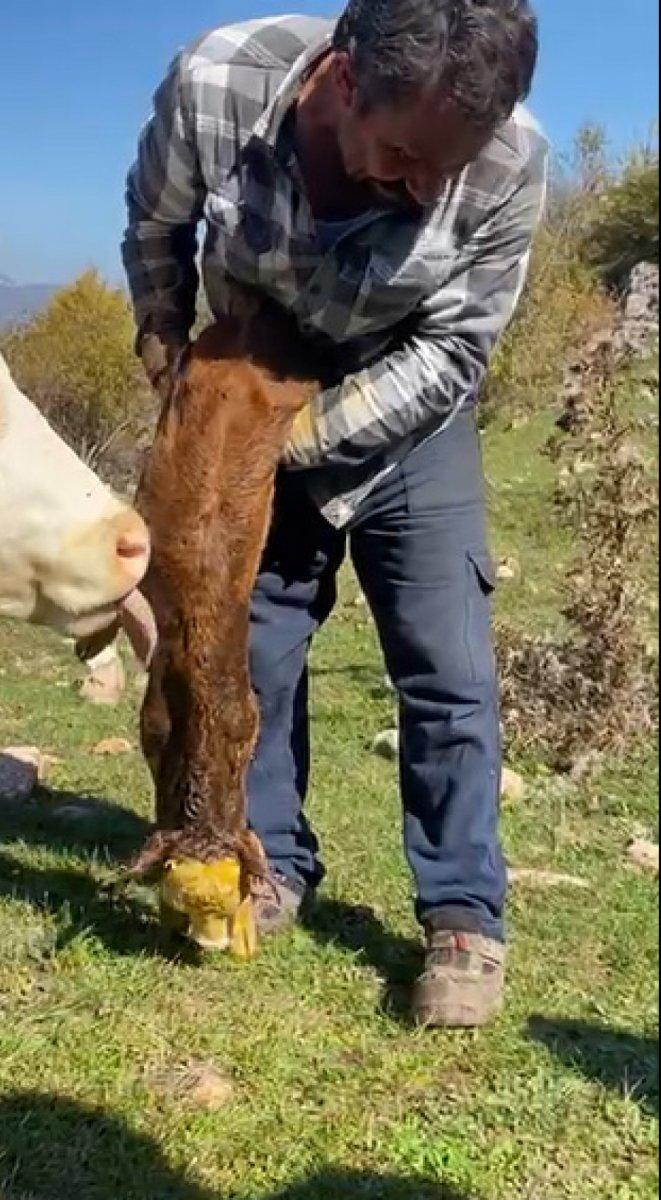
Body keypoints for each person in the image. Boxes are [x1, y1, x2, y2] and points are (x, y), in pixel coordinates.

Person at [122, 0, 547, 1028]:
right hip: (253, 380)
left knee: (446, 672)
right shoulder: (217, 82)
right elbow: (156, 229)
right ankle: (272, 867)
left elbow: (452, 353)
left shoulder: (512, 163)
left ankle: (461, 917)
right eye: (401, 155)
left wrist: (294, 442)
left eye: (446, 168)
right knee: (253, 653)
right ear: (345, 79)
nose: (421, 187)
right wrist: (171, 353)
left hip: (409, 414)